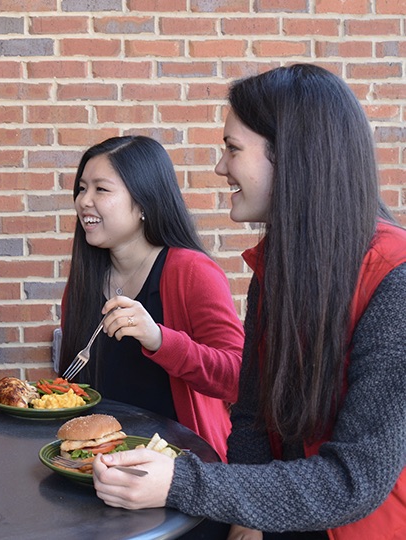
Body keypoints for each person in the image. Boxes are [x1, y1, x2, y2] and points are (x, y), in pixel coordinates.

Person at [91, 64, 406, 539]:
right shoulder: (274, 268)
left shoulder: (393, 280)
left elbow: (353, 481)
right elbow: (254, 415)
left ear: (293, 157)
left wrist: (184, 482)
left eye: (233, 149)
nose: (220, 167)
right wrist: (246, 517)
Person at [59, 135, 244, 460]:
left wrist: (159, 339)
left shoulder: (192, 271)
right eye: (82, 188)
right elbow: (73, 388)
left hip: (182, 467)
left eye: (101, 189)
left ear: (144, 203)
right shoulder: (85, 278)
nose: (84, 201)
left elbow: (238, 376)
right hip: (97, 464)